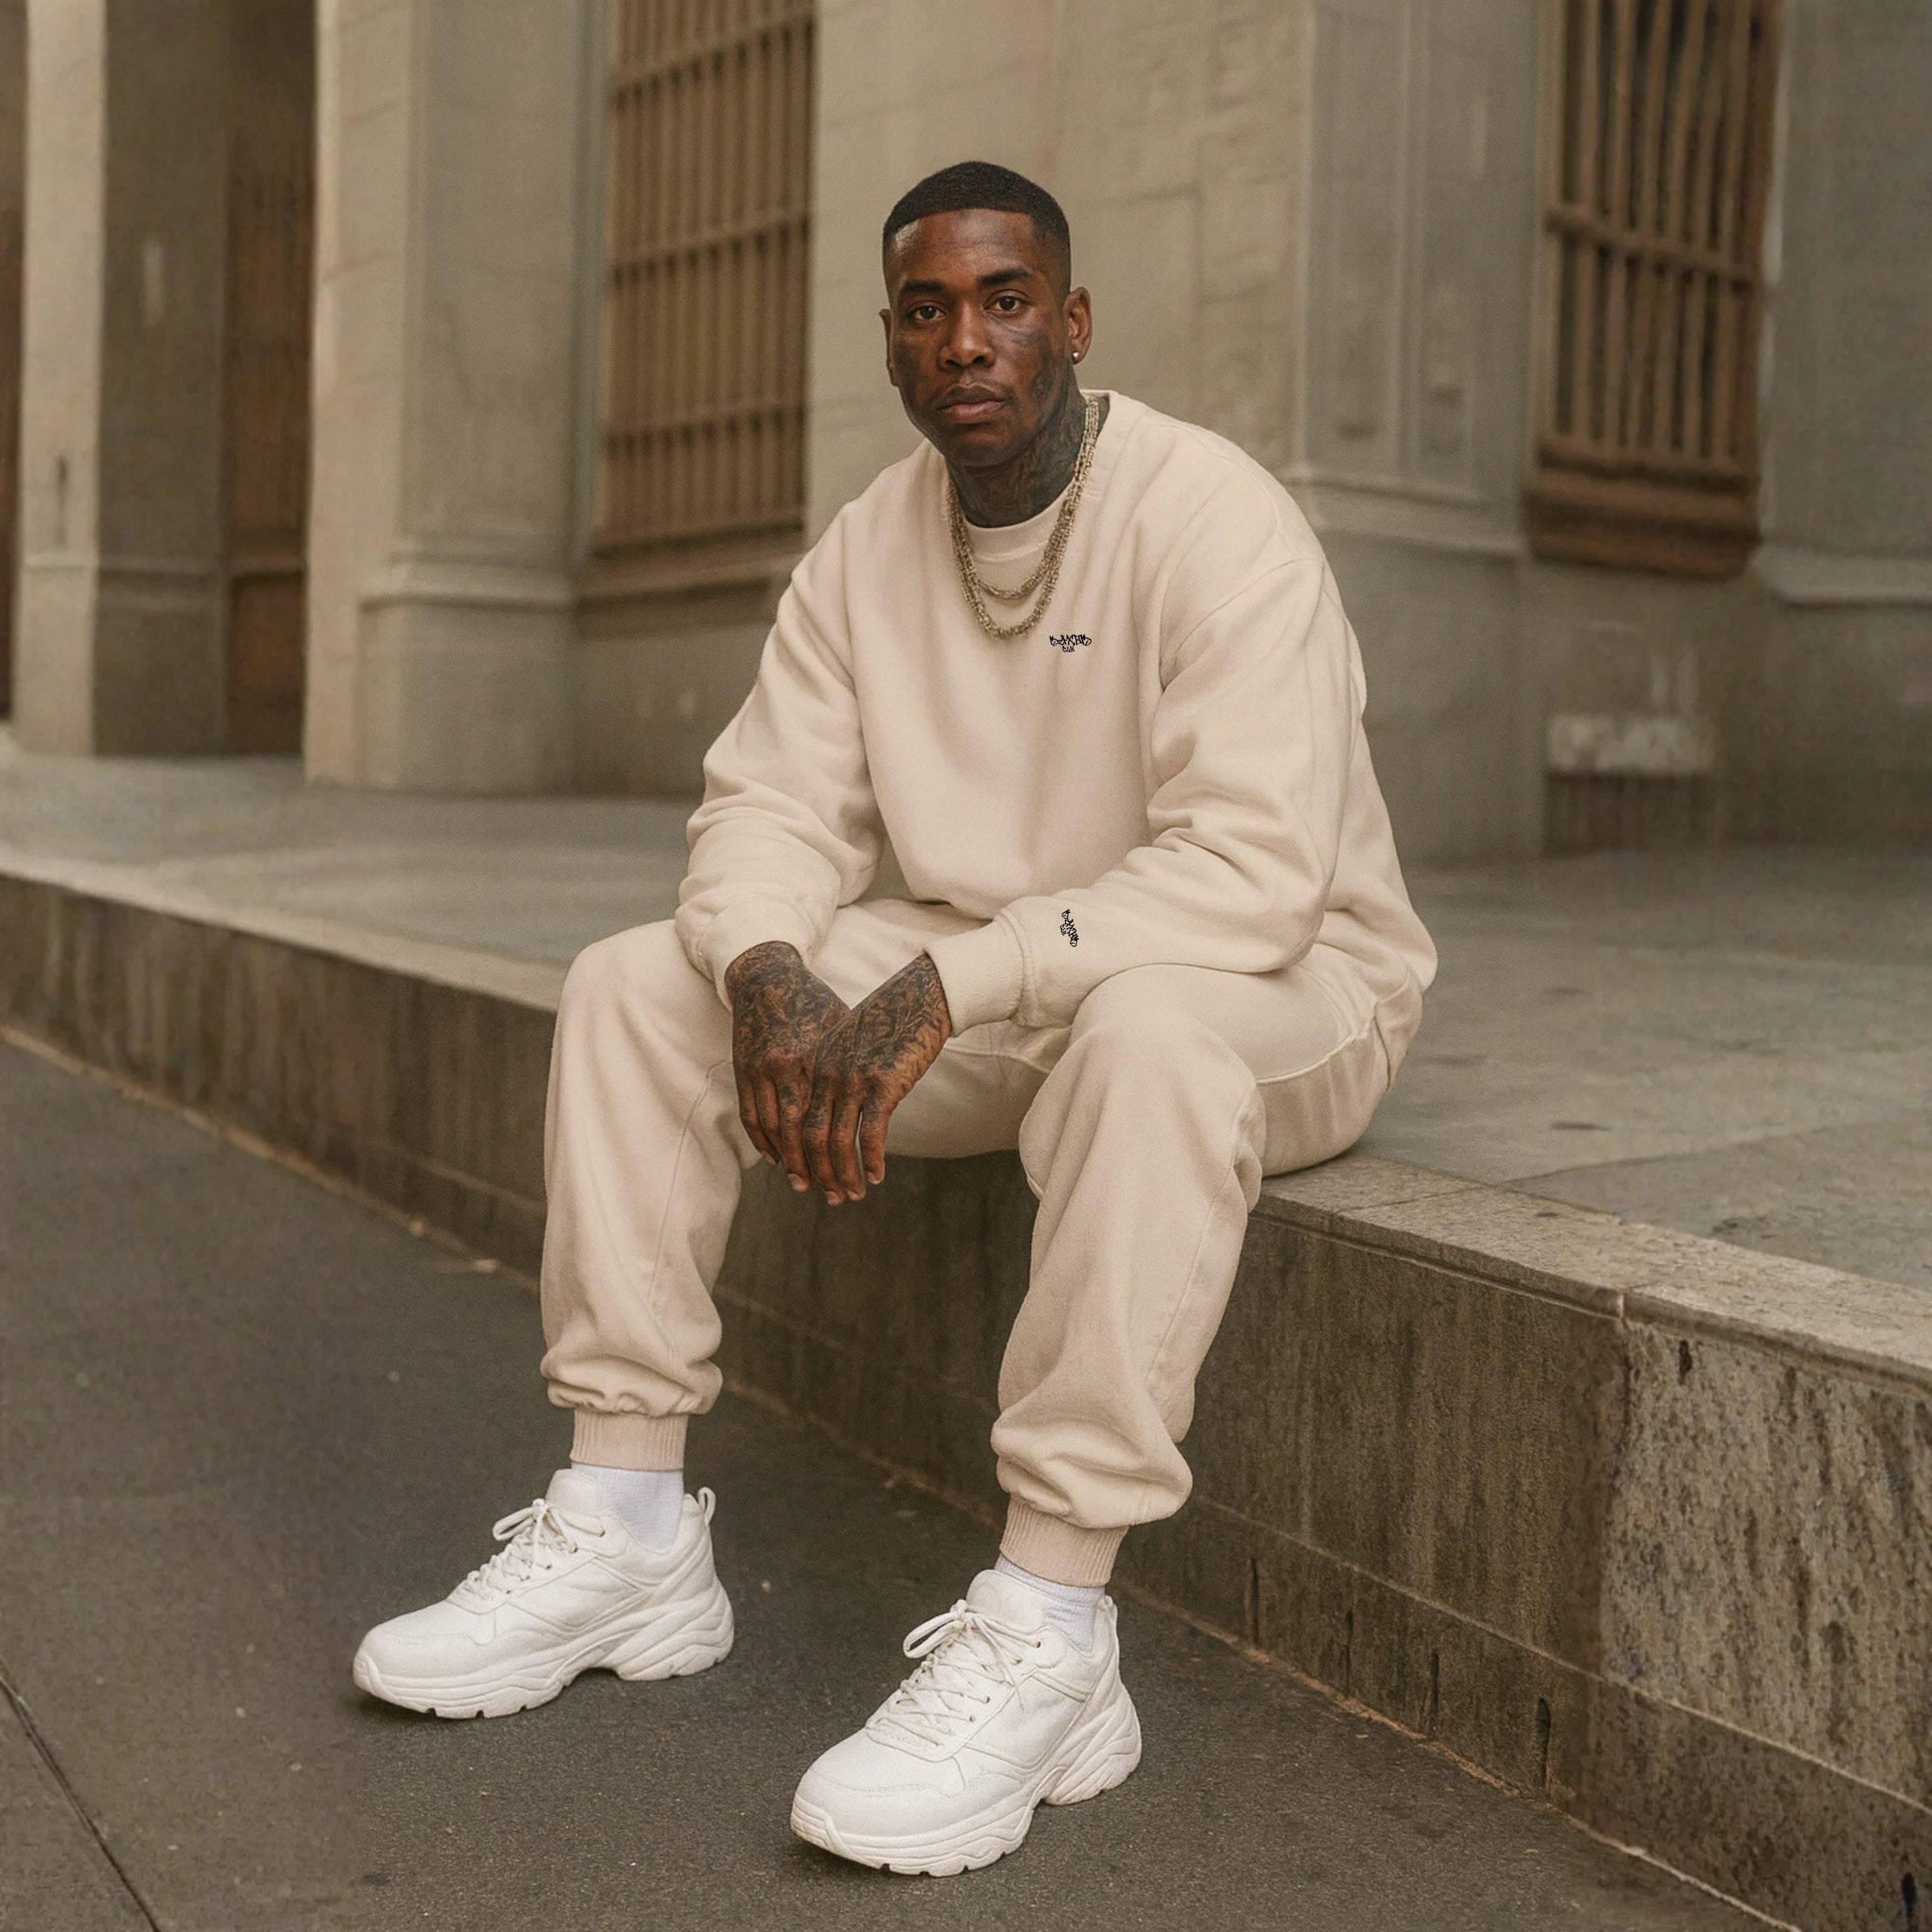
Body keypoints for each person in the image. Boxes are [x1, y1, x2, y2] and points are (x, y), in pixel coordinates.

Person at [353, 160, 1435, 1876]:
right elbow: (767, 810)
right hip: (1004, 977)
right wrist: (770, 971)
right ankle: (627, 1524)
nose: (967, 342)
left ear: (1074, 322)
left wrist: (952, 981)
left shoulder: (1216, 519)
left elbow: (1250, 877)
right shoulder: (869, 548)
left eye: (1006, 301)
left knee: (1147, 1038)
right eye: (928, 311)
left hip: (1280, 981)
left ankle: (1054, 1629)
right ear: (890, 343)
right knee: (638, 985)